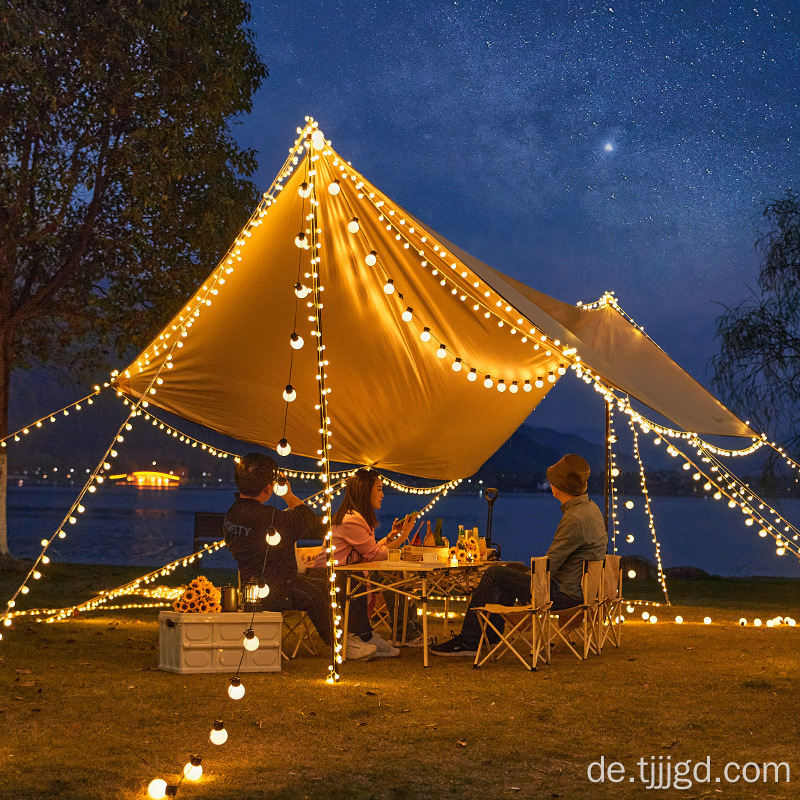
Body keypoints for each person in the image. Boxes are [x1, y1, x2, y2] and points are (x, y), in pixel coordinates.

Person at [430, 453, 608, 657]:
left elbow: (550, 564)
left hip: (563, 595)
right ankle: (491, 635)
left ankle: (470, 640)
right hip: (578, 589)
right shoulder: (590, 509)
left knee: (495, 574)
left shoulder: (575, 519)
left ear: (559, 485)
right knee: (510, 571)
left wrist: (530, 575)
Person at [223, 452, 339, 657]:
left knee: (323, 586)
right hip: (278, 590)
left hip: (251, 589)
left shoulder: (232, 514)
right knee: (321, 594)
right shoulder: (268, 518)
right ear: (268, 487)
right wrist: (288, 495)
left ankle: (349, 638)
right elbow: (307, 517)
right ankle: (340, 644)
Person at [312, 468, 419, 659]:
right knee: (359, 578)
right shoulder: (351, 519)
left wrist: (390, 536)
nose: (382, 494)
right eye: (379, 489)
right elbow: (374, 554)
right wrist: (404, 535)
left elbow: (370, 551)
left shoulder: (358, 517)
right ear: (365, 491)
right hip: (329, 575)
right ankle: (365, 635)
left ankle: (402, 630)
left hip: (348, 571)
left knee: (390, 576)